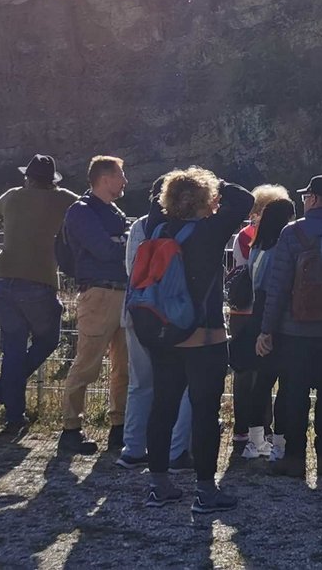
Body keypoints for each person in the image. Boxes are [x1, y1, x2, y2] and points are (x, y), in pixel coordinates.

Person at [142, 168, 254, 513]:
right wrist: (215, 185)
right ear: (205, 200)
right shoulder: (210, 231)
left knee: (162, 408)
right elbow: (245, 199)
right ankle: (205, 492)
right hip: (204, 336)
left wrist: (179, 186)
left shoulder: (155, 228)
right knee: (205, 413)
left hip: (163, 334)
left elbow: (157, 202)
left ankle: (159, 485)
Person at [0, 154, 79, 440]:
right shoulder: (62, 199)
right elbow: (84, 206)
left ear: (27, 176)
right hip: (39, 281)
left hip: (4, 277)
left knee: (13, 349)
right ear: (52, 181)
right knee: (48, 340)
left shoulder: (11, 196)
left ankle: (13, 416)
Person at [255, 175, 322, 481]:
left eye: (307, 196)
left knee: (293, 394)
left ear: (314, 199)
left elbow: (278, 285)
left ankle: (293, 458)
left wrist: (267, 329)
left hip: (294, 329)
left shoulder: (293, 233)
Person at [57, 155, 131, 458]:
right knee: (87, 363)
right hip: (98, 294)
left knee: (124, 366)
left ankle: (120, 429)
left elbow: (114, 247)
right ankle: (71, 429)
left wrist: (119, 242)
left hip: (123, 293)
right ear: (104, 178)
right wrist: (124, 244)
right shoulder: (81, 211)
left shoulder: (113, 212)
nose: (125, 181)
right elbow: (104, 250)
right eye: (120, 175)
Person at [118, 176, 191, 470]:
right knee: (183, 383)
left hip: (137, 312)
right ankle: (176, 450)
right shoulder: (184, 228)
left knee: (140, 383)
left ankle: (133, 447)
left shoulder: (139, 226)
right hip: (172, 316)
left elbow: (129, 269)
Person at [229, 190, 291, 462]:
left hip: (254, 317)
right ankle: (279, 441)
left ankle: (255, 441)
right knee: (285, 383)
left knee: (260, 383)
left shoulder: (257, 246)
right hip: (278, 319)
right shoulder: (282, 247)